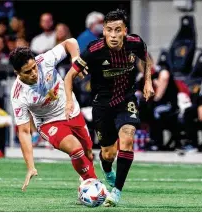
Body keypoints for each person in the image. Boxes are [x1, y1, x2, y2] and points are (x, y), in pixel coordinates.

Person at [64, 9, 154, 207]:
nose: (113, 35)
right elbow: (69, 76)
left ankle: (117, 192)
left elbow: (147, 58)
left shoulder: (135, 43)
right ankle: (107, 169)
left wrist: (148, 81)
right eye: (109, 30)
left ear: (125, 31)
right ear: (104, 31)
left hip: (126, 99)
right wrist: (69, 101)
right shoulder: (94, 50)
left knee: (128, 137)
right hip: (102, 104)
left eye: (118, 30)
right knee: (107, 154)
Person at [9, 38, 98, 192]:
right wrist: (30, 166)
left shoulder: (45, 60)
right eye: (27, 72)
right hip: (48, 122)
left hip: (70, 110)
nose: (34, 73)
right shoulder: (18, 94)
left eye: (34, 68)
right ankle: (94, 187)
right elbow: (24, 132)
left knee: (88, 154)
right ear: (17, 73)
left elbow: (70, 42)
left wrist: (75, 59)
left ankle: (86, 181)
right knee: (76, 149)